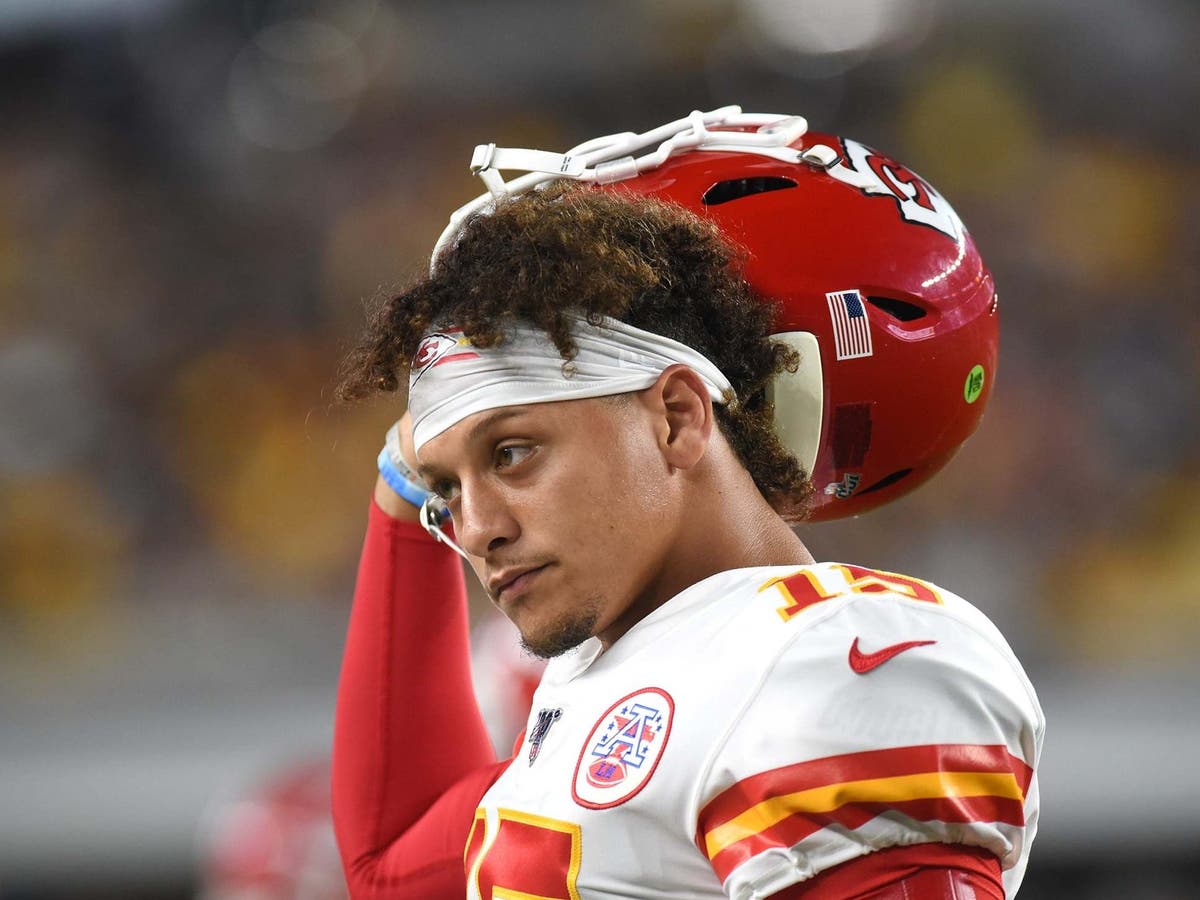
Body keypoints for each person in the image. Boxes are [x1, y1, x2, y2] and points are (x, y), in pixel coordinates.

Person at [330, 108, 1044, 899]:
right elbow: (392, 862)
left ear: (676, 415)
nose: (477, 532)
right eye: (447, 493)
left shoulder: (829, 659)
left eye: (513, 453)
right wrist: (405, 484)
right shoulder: (618, 679)